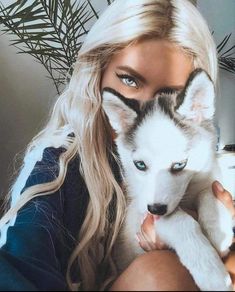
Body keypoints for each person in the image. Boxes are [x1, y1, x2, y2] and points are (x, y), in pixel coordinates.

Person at [0, 0, 234, 290]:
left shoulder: (193, 149)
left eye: (168, 95)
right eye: (129, 80)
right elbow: (17, 266)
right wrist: (184, 236)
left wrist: (212, 226)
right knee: (161, 272)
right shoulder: (58, 164)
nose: (145, 112)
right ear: (98, 70)